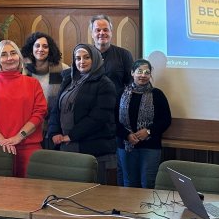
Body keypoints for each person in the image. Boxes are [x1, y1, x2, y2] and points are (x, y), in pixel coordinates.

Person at [0, 40, 47, 178]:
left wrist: (19, 137)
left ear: (19, 57)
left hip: (28, 148)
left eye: (13, 53)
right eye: (4, 54)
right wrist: (2, 140)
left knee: (30, 195)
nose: (9, 58)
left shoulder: (33, 83)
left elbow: (39, 113)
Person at [49, 43, 118, 185]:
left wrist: (72, 135)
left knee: (93, 194)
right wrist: (54, 131)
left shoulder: (105, 84)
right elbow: (56, 108)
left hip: (94, 148)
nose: (81, 61)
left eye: (86, 57)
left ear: (96, 59)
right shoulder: (68, 79)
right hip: (66, 145)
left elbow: (99, 117)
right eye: (78, 58)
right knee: (69, 190)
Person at [90, 14, 134, 183]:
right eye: (98, 30)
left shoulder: (123, 55)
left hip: (117, 120)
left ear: (111, 32)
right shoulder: (84, 54)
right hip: (91, 120)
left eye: (105, 29)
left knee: (116, 167)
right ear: (92, 33)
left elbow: (131, 86)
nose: (102, 33)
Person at [115, 59, 172, 188]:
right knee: (129, 184)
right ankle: (129, 209)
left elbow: (166, 120)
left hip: (150, 146)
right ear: (132, 73)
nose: (143, 75)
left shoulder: (157, 94)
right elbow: (112, 120)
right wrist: (127, 135)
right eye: (139, 71)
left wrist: (148, 131)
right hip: (126, 145)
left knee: (148, 184)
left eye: (147, 72)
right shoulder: (121, 93)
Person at [21, 32, 68, 149]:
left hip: (55, 126)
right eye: (37, 46)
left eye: (45, 46)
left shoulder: (63, 69)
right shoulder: (22, 70)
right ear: (31, 49)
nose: (41, 49)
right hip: (27, 125)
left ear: (50, 50)